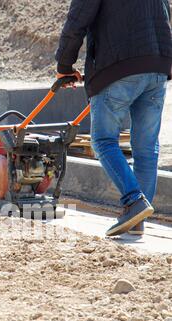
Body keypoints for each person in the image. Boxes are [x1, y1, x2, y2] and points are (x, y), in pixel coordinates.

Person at [56, 0, 172, 236]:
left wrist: (65, 65)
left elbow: (77, 20)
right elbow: (165, 13)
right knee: (146, 147)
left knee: (103, 141)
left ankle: (133, 201)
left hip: (118, 66)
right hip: (158, 64)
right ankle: (137, 221)